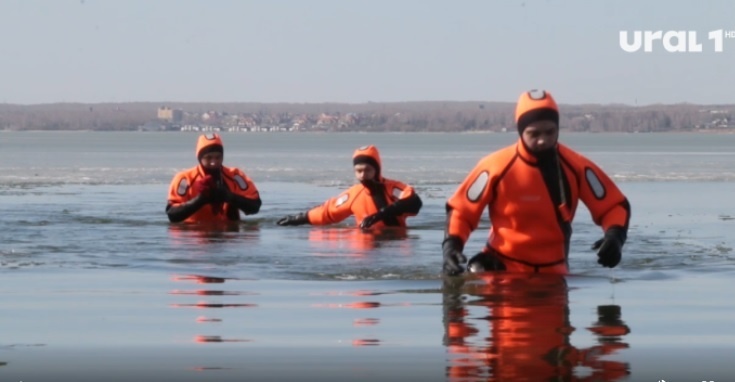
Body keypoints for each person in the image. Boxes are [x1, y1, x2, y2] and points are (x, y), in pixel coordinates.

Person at [442, 89, 631, 275]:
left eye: (550, 132)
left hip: (554, 274)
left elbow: (614, 206)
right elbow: (462, 211)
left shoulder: (576, 166)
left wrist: (615, 237)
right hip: (501, 268)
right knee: (474, 271)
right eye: (534, 134)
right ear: (520, 131)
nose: (543, 140)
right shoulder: (496, 167)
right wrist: (452, 246)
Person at [277, 145, 422, 229]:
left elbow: (414, 202)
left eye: (367, 170)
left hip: (396, 244)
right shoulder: (353, 195)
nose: (363, 175)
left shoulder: (391, 188)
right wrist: (299, 218)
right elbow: (328, 212)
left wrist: (381, 214)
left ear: (376, 170)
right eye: (359, 171)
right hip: (364, 245)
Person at [166, 133, 261, 224]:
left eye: (218, 157)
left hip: (229, 236)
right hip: (194, 236)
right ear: (200, 157)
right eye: (208, 158)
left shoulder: (235, 176)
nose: (213, 162)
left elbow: (255, 206)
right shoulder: (184, 179)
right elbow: (172, 215)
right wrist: (200, 200)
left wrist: (230, 197)